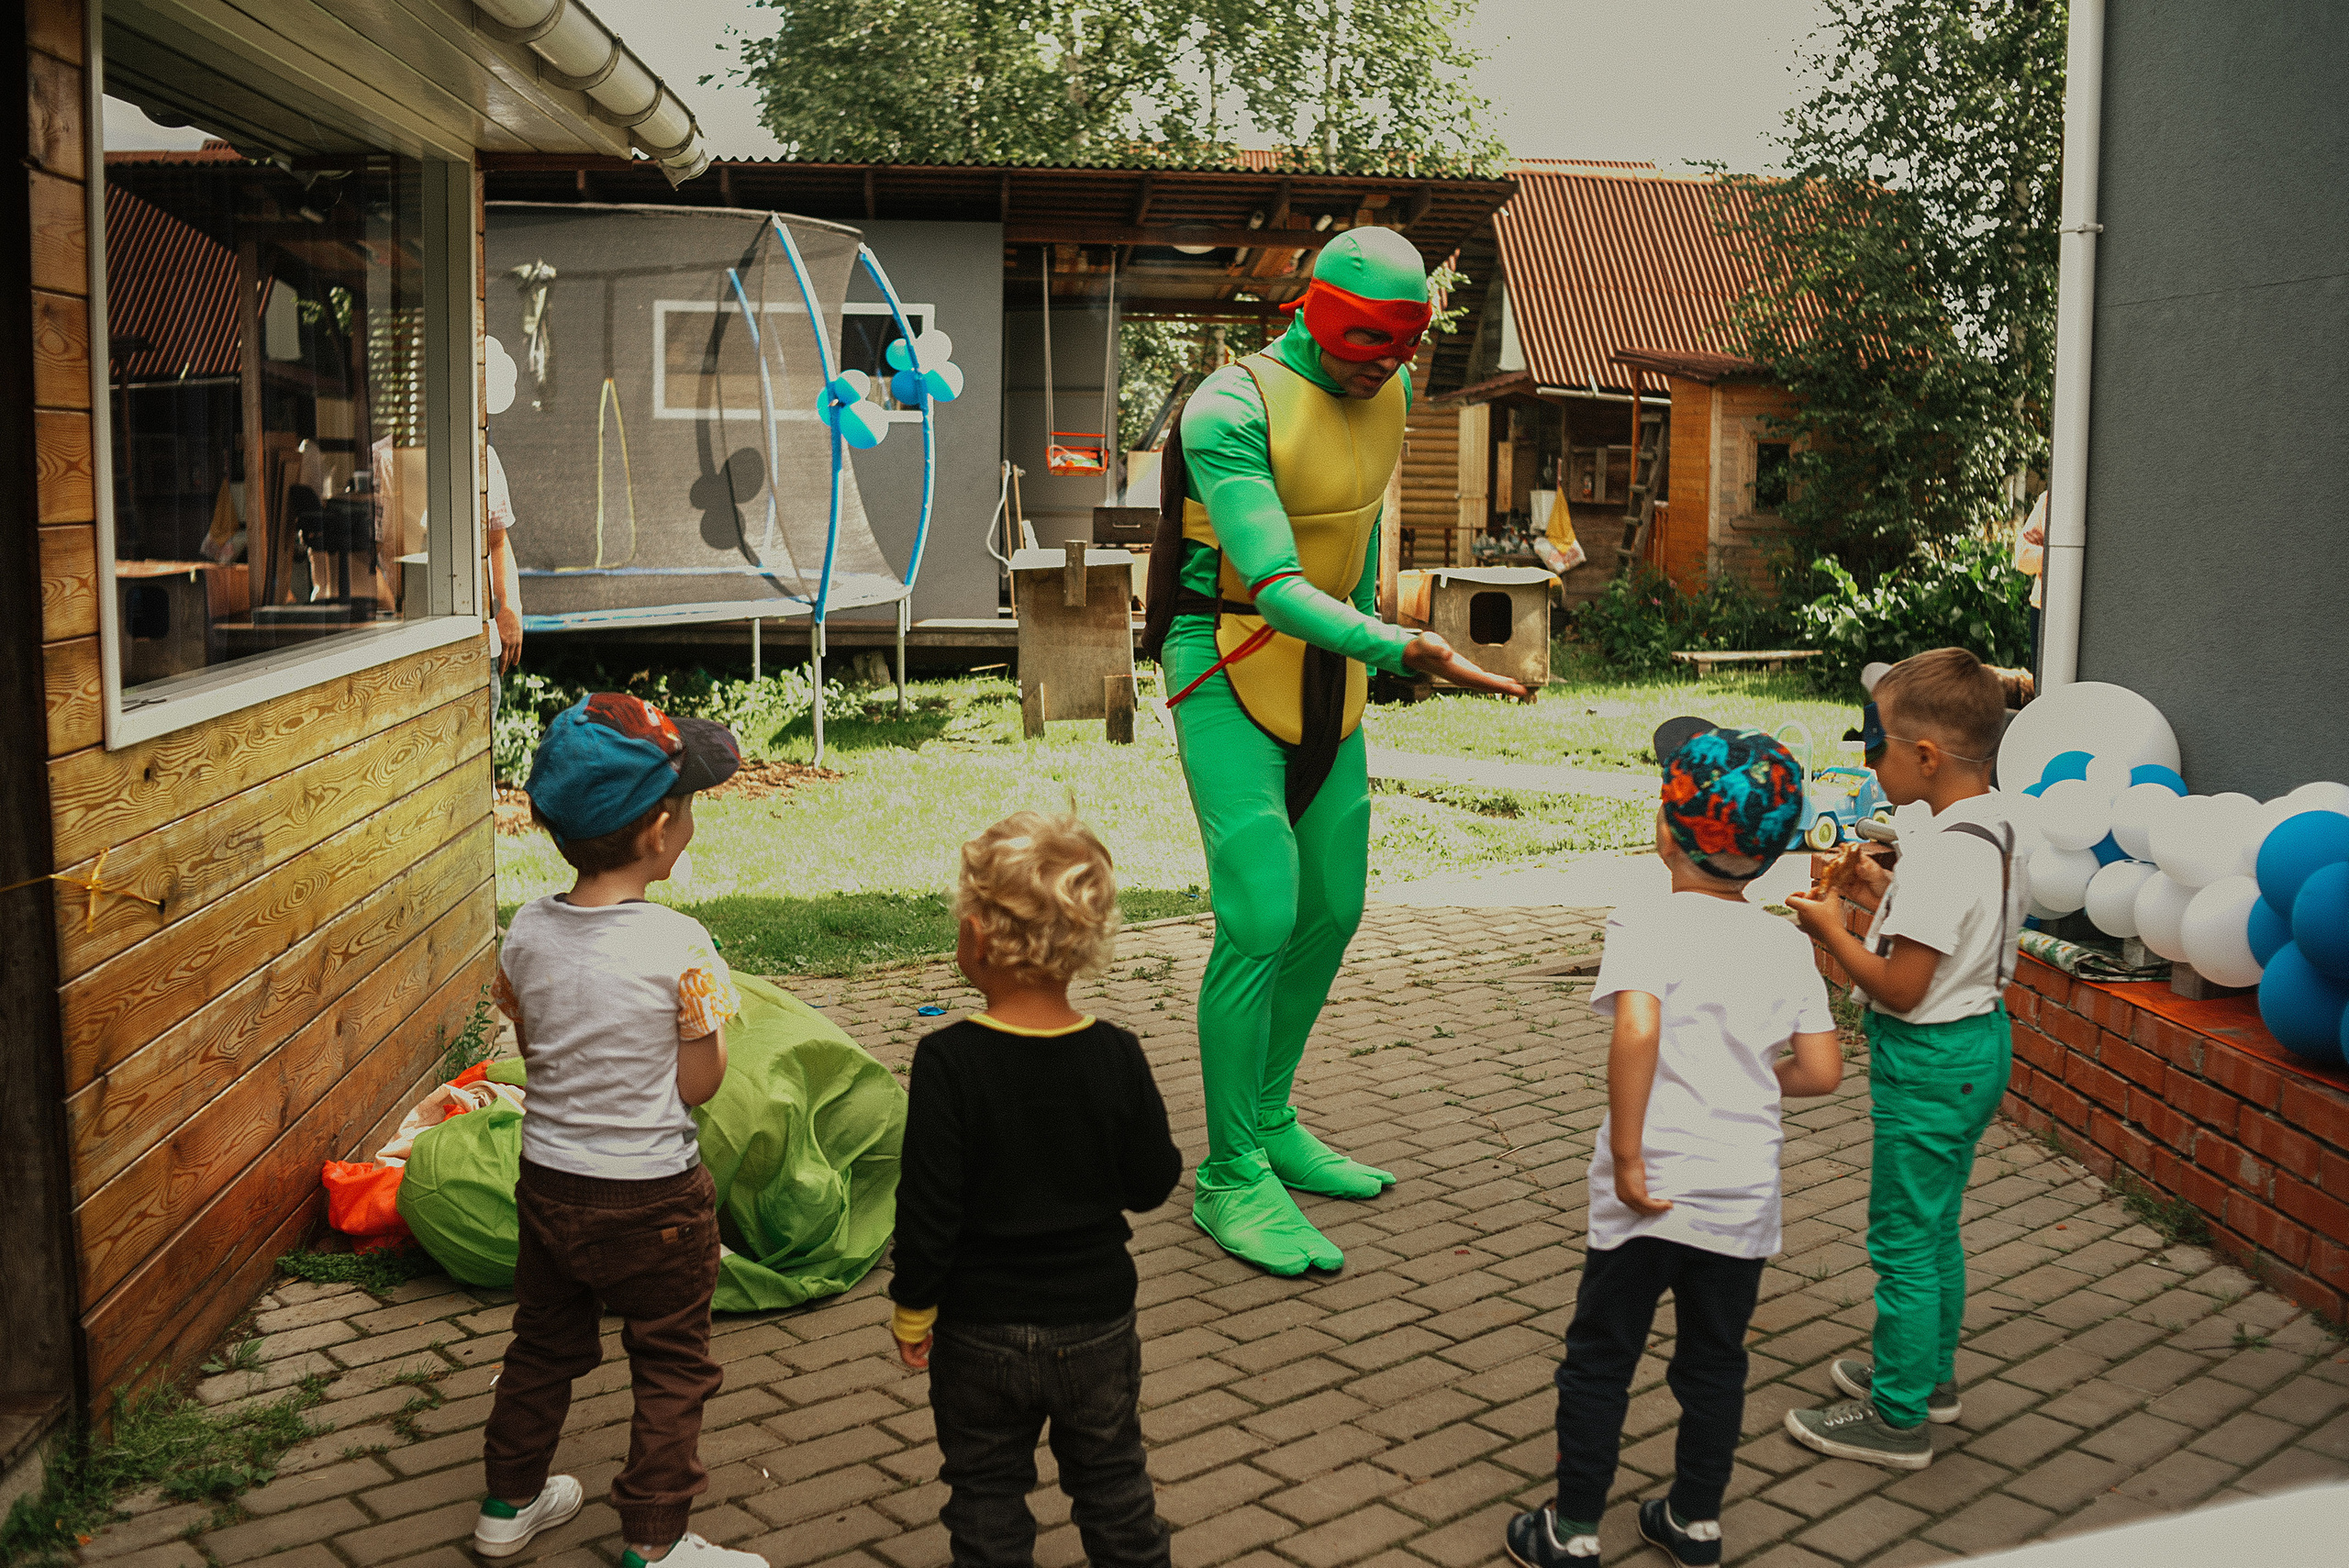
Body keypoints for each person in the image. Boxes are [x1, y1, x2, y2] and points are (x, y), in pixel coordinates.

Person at [1141, 226, 1528, 1275]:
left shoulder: (1390, 394)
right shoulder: (1231, 405)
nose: (1383, 363)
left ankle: (1267, 1118)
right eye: (1366, 340)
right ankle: (1227, 1175)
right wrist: (1400, 644)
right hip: (1224, 650)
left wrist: (1366, 642)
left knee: (1334, 906)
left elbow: (1351, 541)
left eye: (1404, 346)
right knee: (1260, 905)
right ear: (1310, 309)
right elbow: (1269, 579)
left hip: (1333, 666)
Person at [1507, 725, 1842, 1568]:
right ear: (1772, 856)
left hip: (1646, 1188)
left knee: (1601, 1357)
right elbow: (1824, 1070)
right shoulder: (1784, 944)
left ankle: (1573, 1528)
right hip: (1739, 1195)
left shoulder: (1647, 920)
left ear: (1667, 827)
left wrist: (1627, 1154)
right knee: (1714, 1362)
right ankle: (1694, 1521)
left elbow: (1638, 1031)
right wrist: (1756, 1083)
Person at [473, 694, 763, 1568]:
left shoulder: (524, 933)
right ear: (658, 832)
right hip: (655, 1198)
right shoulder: (683, 944)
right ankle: (655, 1540)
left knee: (544, 1342)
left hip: (551, 1182)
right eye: (688, 807)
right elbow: (698, 1082)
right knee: (672, 1361)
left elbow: (535, 1047)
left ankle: (507, 1502)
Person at [887, 810, 1183, 1568]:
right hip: (1095, 1321)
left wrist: (914, 1307)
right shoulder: (1116, 1053)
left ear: (979, 936)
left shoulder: (947, 1061)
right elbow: (1153, 1183)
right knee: (1114, 1483)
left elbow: (927, 1208)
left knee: (985, 1492)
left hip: (977, 1330)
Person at [1783, 648, 2029, 1471]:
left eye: (1874, 743)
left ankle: (1896, 1417)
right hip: (1976, 1047)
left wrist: (1831, 931)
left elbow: (1901, 985)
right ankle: (1927, 1378)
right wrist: (1871, 890)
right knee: (1936, 1228)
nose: (1864, 757)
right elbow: (1949, 929)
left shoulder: (1947, 851)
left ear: (1924, 757)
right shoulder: (1990, 825)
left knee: (1901, 1240)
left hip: (1928, 1058)